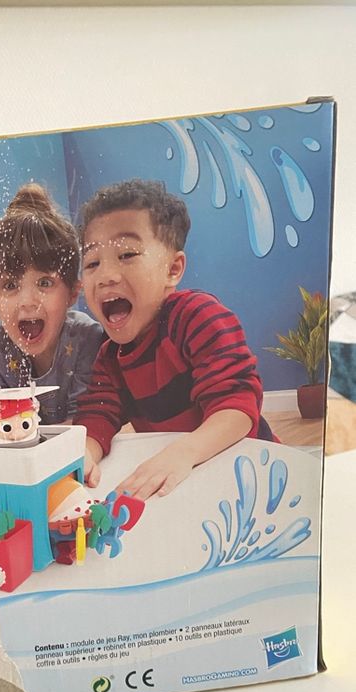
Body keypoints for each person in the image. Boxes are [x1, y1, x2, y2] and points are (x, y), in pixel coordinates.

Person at [73, 179, 277, 500]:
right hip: (188, 485)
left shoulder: (196, 316)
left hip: (253, 472)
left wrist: (184, 452)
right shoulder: (109, 358)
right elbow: (98, 417)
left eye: (127, 254)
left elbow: (237, 408)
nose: (106, 276)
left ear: (173, 269)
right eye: (92, 263)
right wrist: (84, 454)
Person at [0, 183, 103, 423]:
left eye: (45, 283)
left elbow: (86, 422)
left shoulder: (87, 339)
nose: (27, 302)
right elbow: (3, 429)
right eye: (10, 285)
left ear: (72, 293)